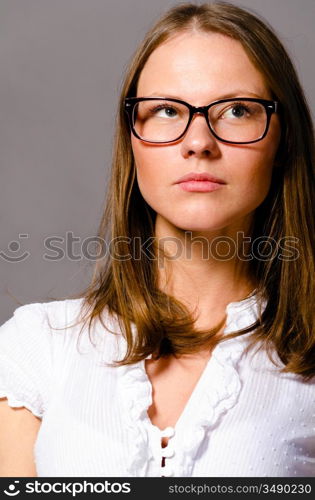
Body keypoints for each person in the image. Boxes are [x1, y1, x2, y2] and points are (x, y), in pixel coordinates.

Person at [0, 1, 314, 478]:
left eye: (236, 110)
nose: (198, 141)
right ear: (133, 139)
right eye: (167, 110)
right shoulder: (36, 347)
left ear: (282, 139)